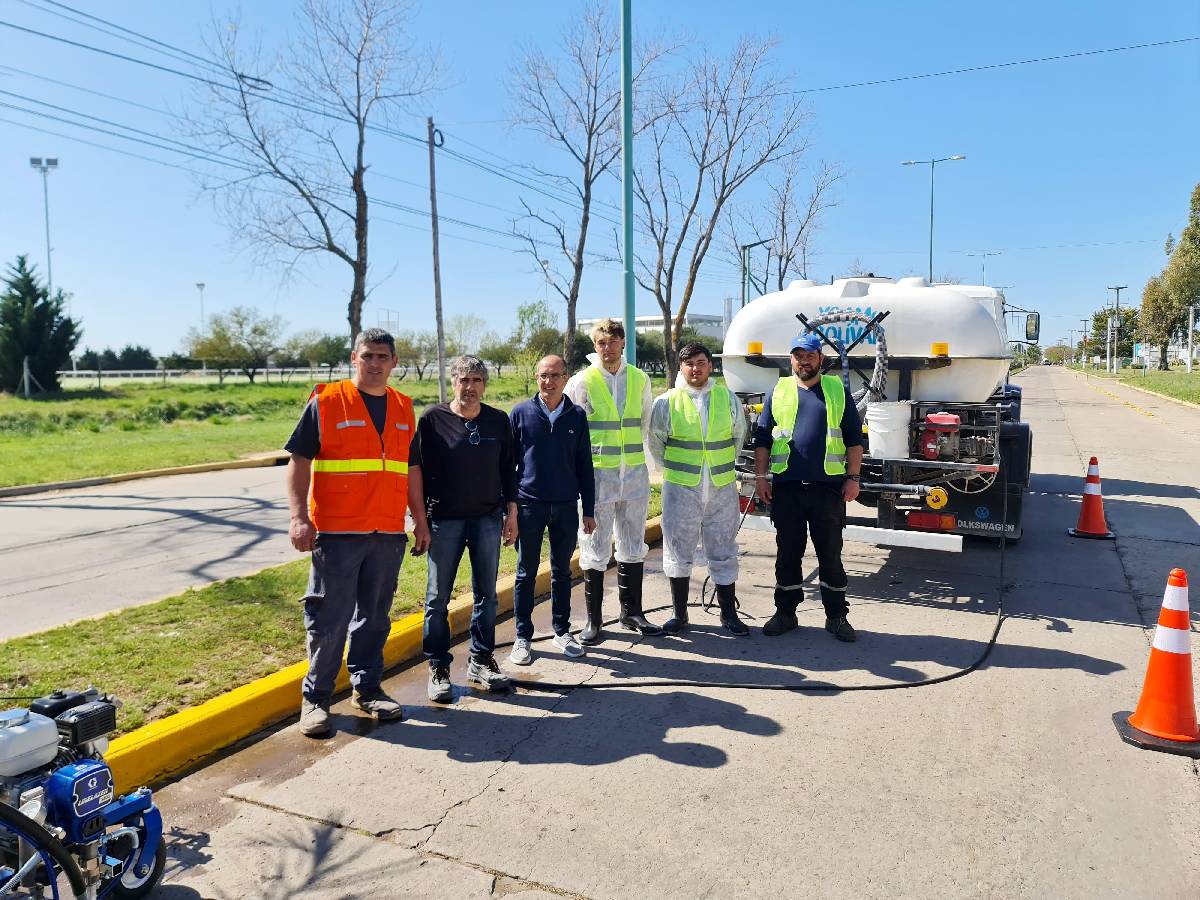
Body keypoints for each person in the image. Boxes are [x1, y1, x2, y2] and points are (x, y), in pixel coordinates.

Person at [285, 328, 415, 738]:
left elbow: (410, 469)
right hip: (338, 533)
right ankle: (316, 700)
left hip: (387, 532)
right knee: (329, 620)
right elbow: (299, 460)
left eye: (382, 356)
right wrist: (299, 517)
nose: (375, 364)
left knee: (374, 619)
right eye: (367, 356)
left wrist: (420, 520)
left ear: (395, 362)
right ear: (353, 359)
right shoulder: (326, 402)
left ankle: (368, 688)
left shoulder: (404, 407)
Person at [409, 355, 518, 702]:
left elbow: (508, 472)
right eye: (463, 380)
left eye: (476, 380)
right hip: (445, 521)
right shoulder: (432, 420)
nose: (470, 387)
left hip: (487, 519)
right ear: (453, 382)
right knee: (437, 598)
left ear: (485, 385)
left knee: (487, 594)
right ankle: (439, 666)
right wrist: (420, 522)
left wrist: (511, 513)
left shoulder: (498, 421)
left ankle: (481, 661)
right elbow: (417, 473)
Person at [753, 331, 864, 642]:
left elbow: (855, 440)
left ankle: (837, 616)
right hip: (787, 488)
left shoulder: (837, 390)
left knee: (830, 555)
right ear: (792, 359)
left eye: (810, 355)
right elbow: (762, 440)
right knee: (788, 554)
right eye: (798, 355)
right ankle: (785, 613)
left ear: (821, 359)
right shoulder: (779, 390)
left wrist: (853, 478)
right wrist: (761, 478)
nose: (804, 360)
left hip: (827, 489)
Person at [564, 318, 661, 643]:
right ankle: (594, 621)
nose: (608, 348)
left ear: (623, 343)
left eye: (613, 341)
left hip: (633, 475)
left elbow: (645, 421)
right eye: (601, 343)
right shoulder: (581, 381)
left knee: (633, 543)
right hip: (597, 479)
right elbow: (570, 429)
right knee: (594, 545)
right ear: (596, 346)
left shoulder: (639, 379)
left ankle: (631, 611)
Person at [648, 342, 750, 636]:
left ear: (710, 366)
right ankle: (679, 615)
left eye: (701, 362)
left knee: (723, 550)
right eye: (690, 363)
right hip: (681, 489)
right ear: (681, 367)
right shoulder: (667, 402)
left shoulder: (726, 398)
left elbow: (738, 436)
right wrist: (674, 471)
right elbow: (656, 443)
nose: (696, 368)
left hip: (720, 487)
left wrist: (720, 466)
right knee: (678, 551)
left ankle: (728, 615)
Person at [507, 355, 597, 666]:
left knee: (561, 571)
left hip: (564, 506)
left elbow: (584, 465)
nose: (549, 382)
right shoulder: (520, 414)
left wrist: (589, 509)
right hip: (528, 505)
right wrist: (510, 510)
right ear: (536, 378)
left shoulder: (576, 416)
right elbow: (507, 467)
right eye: (544, 376)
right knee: (525, 573)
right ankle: (523, 637)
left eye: (555, 376)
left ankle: (562, 630)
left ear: (565, 378)